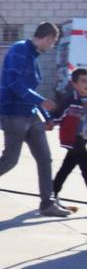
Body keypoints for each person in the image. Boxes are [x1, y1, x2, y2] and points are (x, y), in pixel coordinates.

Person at [0, 22, 71, 217]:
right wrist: (41, 102)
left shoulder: (33, 56)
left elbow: (30, 89)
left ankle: (47, 204)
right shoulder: (19, 50)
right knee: (9, 160)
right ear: (48, 38)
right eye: (53, 42)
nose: (52, 46)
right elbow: (14, 83)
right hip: (14, 114)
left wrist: (45, 116)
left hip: (30, 114)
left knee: (45, 159)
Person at [49, 68, 87, 201]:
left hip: (83, 139)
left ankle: (52, 191)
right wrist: (50, 123)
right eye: (83, 81)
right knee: (85, 166)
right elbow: (58, 115)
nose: (86, 84)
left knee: (67, 166)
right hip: (73, 138)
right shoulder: (70, 100)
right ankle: (52, 193)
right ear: (74, 84)